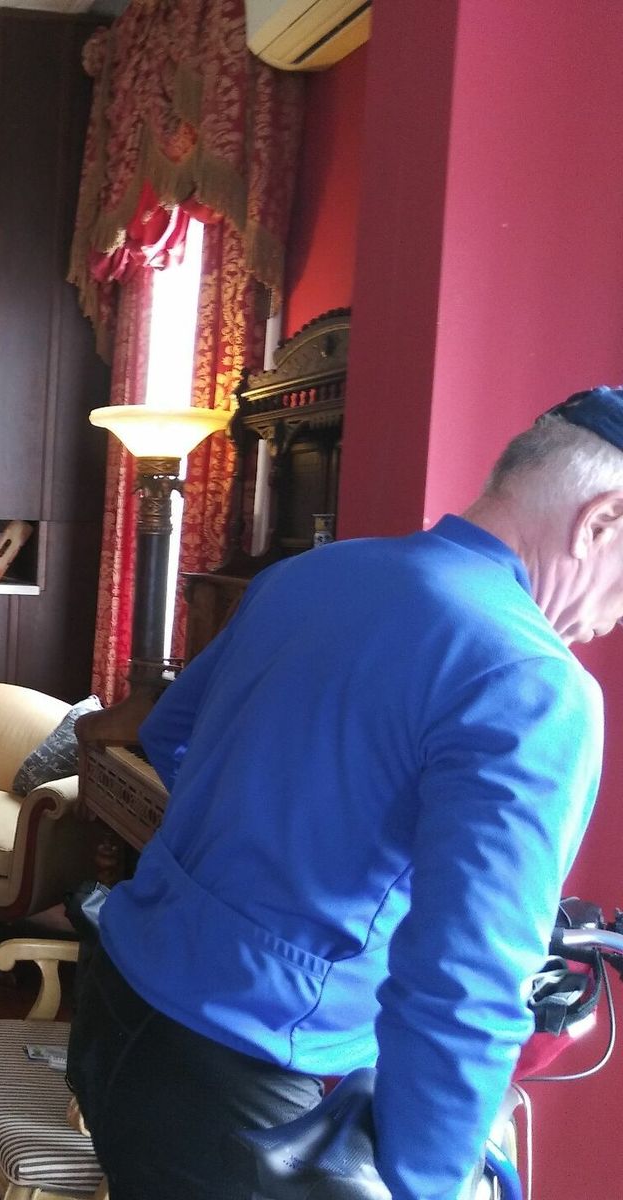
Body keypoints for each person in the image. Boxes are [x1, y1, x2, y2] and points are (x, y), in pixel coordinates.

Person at [66, 388, 623, 1200]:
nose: (614, 618)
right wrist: (424, 1186)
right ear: (602, 522)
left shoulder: (310, 573)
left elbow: (173, 731)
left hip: (117, 1001)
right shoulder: (535, 681)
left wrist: (264, 861)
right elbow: (466, 985)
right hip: (240, 1083)